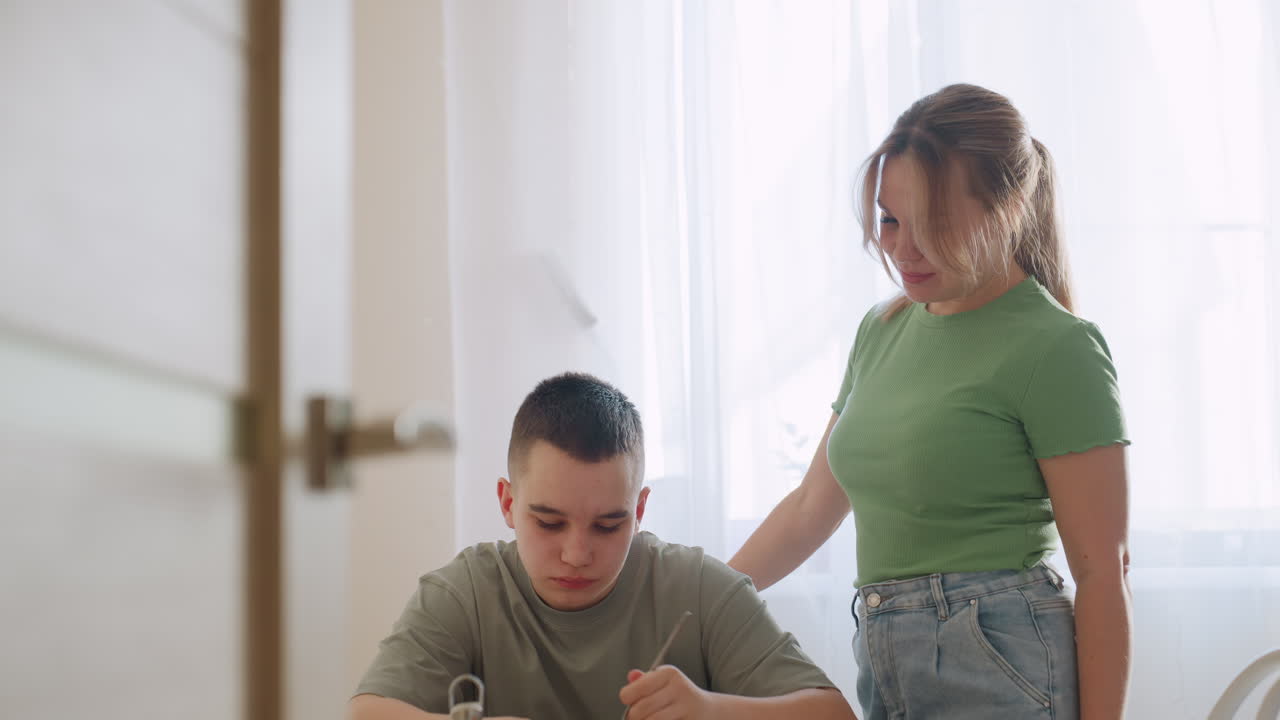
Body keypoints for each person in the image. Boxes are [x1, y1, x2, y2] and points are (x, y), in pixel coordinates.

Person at [728, 83, 1132, 720]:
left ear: (1010, 207)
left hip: (1002, 664)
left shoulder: (1058, 347)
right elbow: (812, 507)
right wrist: (707, 601)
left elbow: (1103, 574)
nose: (900, 247)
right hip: (888, 661)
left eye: (933, 225)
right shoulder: (882, 331)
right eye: (889, 219)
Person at [349, 372, 857, 720]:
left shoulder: (699, 588)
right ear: (507, 502)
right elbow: (366, 712)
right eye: (548, 523)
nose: (576, 554)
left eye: (609, 525)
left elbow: (834, 714)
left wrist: (713, 710)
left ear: (639, 511)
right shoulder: (465, 594)